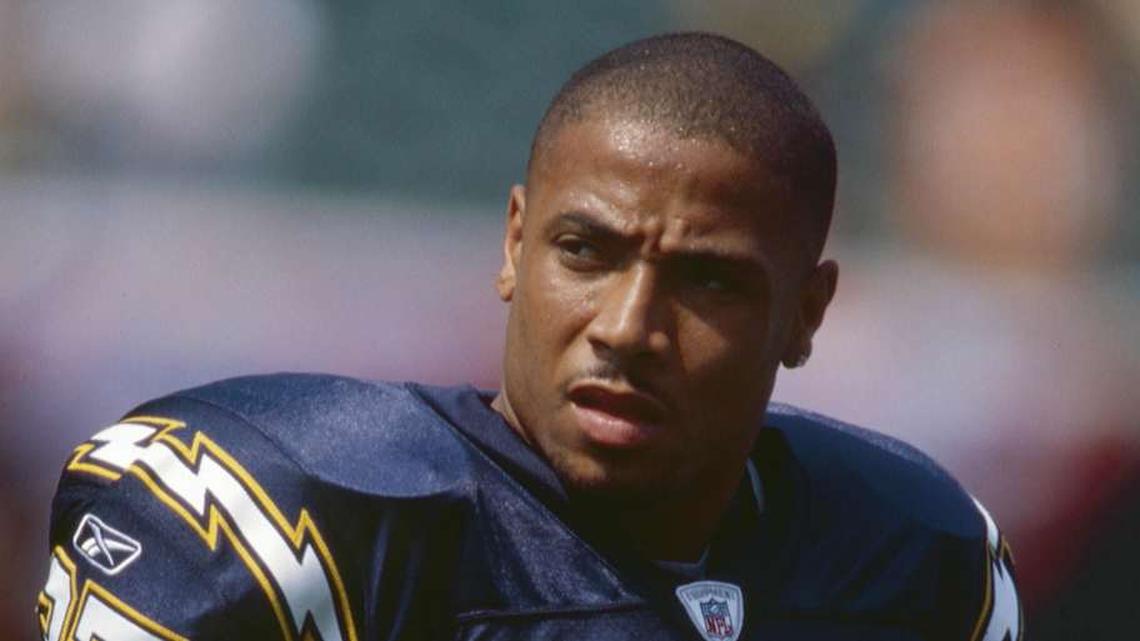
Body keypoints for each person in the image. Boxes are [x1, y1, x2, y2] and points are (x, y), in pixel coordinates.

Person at [37, 33, 1020, 641]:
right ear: (515, 244)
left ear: (806, 313)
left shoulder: (913, 558)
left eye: (707, 279)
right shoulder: (285, 519)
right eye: (587, 251)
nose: (629, 329)